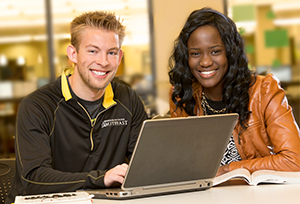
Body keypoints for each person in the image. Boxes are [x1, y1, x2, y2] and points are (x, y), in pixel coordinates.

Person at [6, 11, 148, 203]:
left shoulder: (128, 100)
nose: (103, 61)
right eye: (93, 51)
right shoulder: (36, 106)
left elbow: (147, 163)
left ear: (120, 56)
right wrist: (101, 178)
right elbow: (32, 178)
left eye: (112, 52)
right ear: (73, 53)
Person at [168, 7, 300, 177]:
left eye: (215, 51)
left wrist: (227, 170)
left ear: (230, 52)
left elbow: (294, 160)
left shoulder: (264, 91)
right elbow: (181, 162)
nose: (205, 62)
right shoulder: (182, 96)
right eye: (195, 53)